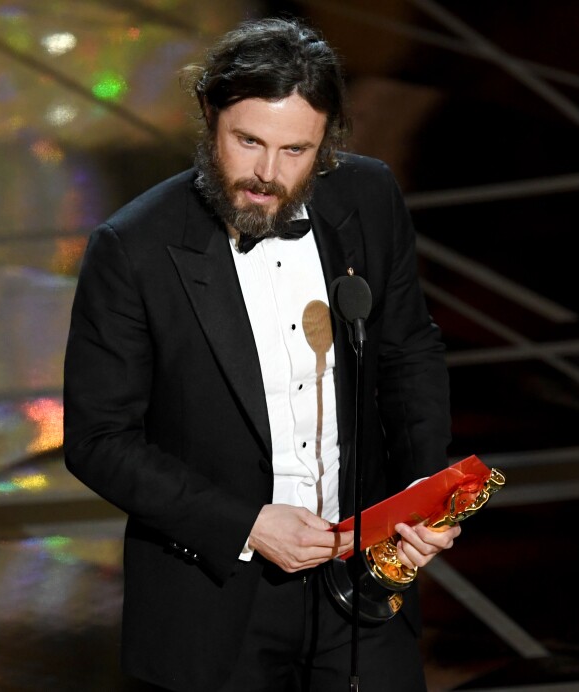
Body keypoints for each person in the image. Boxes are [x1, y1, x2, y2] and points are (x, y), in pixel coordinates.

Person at [63, 16, 458, 692]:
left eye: (296, 151)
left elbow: (408, 352)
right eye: (247, 142)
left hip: (361, 576)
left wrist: (423, 500)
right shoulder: (133, 249)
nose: (267, 176)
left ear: (326, 143)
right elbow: (99, 441)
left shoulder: (368, 197)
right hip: (214, 598)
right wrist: (247, 524)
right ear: (209, 116)